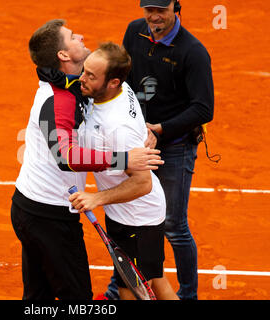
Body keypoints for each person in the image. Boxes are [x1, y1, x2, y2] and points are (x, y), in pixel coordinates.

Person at [11, 19, 164, 300]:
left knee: (38, 296)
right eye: (71, 36)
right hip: (47, 216)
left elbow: (116, 92)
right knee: (78, 298)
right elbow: (65, 156)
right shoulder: (56, 99)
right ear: (63, 55)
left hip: (37, 209)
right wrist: (124, 158)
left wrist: (143, 129)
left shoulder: (76, 81)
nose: (80, 35)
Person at [99, 0, 214, 300]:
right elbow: (123, 80)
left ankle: (188, 294)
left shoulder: (193, 52)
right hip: (140, 144)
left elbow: (203, 108)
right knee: (125, 220)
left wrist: (158, 129)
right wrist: (138, 129)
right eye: (148, 9)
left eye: (160, 10)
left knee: (174, 226)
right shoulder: (135, 32)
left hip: (174, 148)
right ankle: (118, 288)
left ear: (176, 8)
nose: (153, 16)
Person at [69, 42, 178, 300]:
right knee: (155, 281)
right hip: (129, 213)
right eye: (84, 71)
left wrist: (97, 198)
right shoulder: (116, 91)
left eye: (90, 76)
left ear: (113, 82)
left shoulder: (117, 126)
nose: (81, 79)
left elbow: (142, 183)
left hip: (136, 218)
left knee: (129, 290)